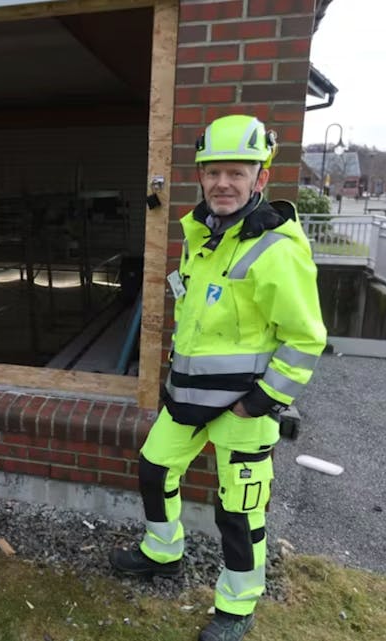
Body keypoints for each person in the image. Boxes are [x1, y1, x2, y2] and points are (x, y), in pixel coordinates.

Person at [109, 115, 327, 640]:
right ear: (201, 177)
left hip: (244, 408)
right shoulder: (200, 234)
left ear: (260, 178)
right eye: (213, 172)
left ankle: (237, 605)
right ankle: (163, 553)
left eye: (237, 172)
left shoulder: (276, 248)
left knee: (239, 514)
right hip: (187, 398)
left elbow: (305, 339)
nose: (223, 183)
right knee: (155, 468)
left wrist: (260, 402)